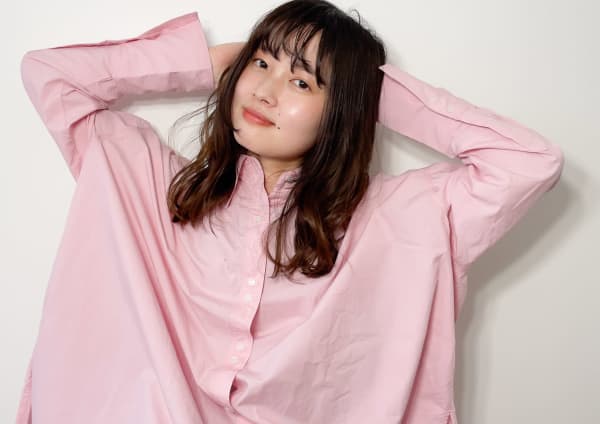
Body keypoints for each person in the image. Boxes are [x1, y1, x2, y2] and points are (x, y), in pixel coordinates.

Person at [16, 0, 564, 423]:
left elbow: (528, 162)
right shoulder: (149, 182)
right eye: (261, 63)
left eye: (302, 81)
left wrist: (368, 91)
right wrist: (204, 64)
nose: (265, 90)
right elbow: (50, 74)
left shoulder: (403, 219)